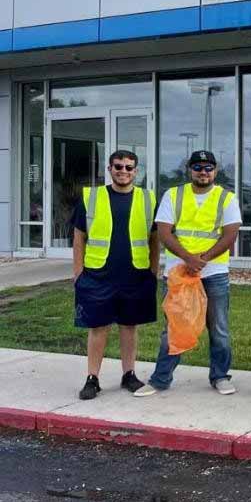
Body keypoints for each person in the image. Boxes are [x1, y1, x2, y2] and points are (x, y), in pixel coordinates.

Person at [135, 150, 242, 397]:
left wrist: (202, 260)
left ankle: (220, 376)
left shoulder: (226, 198)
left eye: (208, 168)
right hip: (178, 273)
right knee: (174, 328)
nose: (203, 172)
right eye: (198, 167)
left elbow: (230, 235)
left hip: (214, 273)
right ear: (189, 170)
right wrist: (188, 259)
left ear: (215, 171)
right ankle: (160, 379)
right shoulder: (173, 195)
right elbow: (164, 232)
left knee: (219, 329)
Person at [71, 150, 159, 400]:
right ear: (109, 169)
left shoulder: (148, 198)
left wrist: (153, 271)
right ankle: (92, 378)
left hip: (135, 275)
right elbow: (79, 237)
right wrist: (78, 273)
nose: (123, 171)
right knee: (98, 327)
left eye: (129, 167)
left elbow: (155, 239)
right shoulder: (92, 196)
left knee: (129, 326)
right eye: (118, 166)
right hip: (97, 274)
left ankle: (129, 374)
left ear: (136, 171)